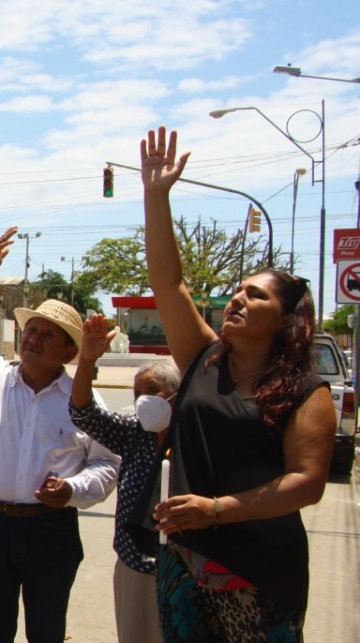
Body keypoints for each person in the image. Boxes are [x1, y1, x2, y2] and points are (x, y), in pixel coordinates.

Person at [140, 126, 335, 641]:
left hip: (259, 571)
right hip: (187, 565)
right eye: (238, 290)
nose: (238, 299)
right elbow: (168, 282)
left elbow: (307, 483)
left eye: (257, 296)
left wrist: (217, 511)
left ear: (287, 321)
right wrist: (155, 197)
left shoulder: (307, 391)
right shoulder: (204, 357)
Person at [0, 227, 120, 643]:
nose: (35, 339)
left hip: (51, 531)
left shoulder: (85, 399)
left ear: (68, 352)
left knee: (46, 631)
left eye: (48, 335)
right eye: (32, 330)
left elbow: (107, 463)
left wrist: (73, 489)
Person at [70, 313, 180, 643]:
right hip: (135, 565)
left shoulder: (194, 436)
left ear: (176, 394)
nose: (142, 400)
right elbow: (83, 411)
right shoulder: (134, 432)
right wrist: (87, 360)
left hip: (182, 569)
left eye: (152, 391)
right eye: (136, 393)